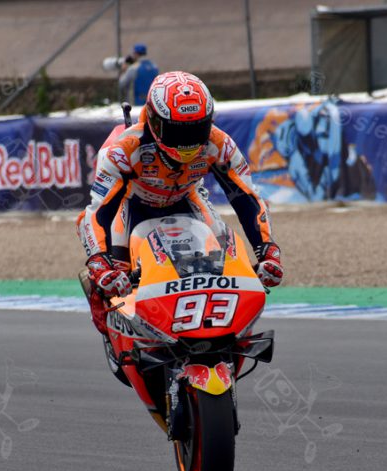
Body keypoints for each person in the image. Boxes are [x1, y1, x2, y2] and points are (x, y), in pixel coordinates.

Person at [78, 71, 283, 333]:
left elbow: (247, 198)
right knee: (113, 276)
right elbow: (97, 212)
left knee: (224, 257)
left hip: (187, 198)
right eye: (176, 131)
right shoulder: (124, 149)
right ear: (154, 119)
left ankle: (220, 331)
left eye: (197, 129)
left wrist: (267, 250)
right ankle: (117, 330)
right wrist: (98, 260)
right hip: (130, 204)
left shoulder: (219, 144)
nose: (187, 142)